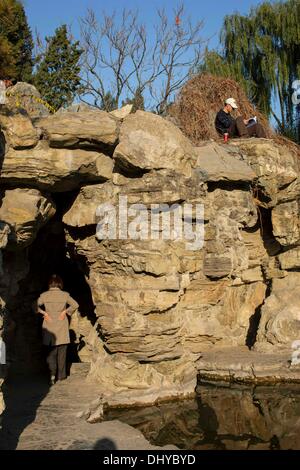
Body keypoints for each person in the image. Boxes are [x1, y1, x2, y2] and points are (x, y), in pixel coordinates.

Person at [35, 274, 79, 385]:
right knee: (62, 352)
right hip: (61, 326)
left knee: (51, 353)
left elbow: (33, 306)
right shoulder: (65, 295)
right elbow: (75, 304)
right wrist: (65, 312)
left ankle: (52, 374)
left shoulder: (44, 295)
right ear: (60, 284)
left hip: (48, 325)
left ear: (50, 284)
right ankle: (61, 376)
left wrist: (44, 313)